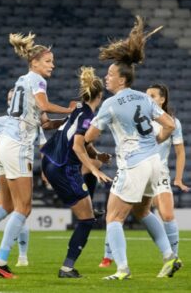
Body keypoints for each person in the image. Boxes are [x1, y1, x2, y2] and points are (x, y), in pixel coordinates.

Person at [0, 32, 75, 278]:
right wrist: (69, 108)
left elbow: (44, 122)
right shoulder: (37, 81)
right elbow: (45, 106)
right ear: (34, 62)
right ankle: (0, 262)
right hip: (18, 145)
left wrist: (67, 119)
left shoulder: (23, 80)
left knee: (7, 205)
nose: (52, 65)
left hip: (3, 143)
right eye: (48, 61)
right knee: (23, 208)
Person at [85, 16, 181, 280]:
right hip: (153, 163)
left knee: (113, 218)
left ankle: (122, 269)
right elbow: (170, 125)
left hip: (134, 164)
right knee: (142, 211)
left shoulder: (111, 104)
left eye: (111, 74)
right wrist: (155, 141)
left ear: (122, 80)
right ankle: (170, 256)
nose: (107, 77)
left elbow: (90, 136)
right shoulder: (144, 98)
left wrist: (88, 136)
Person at [99, 83, 187, 268]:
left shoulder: (171, 121)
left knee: (162, 214)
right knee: (135, 211)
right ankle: (108, 255)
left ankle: (171, 256)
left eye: (153, 96)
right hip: (145, 167)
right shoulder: (142, 116)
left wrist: (178, 177)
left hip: (153, 169)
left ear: (162, 99)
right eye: (147, 95)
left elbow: (180, 151)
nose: (148, 98)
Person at [41, 67, 113, 278]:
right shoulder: (88, 115)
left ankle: (88, 205)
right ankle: (67, 268)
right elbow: (77, 146)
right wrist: (91, 166)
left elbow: (80, 140)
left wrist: (97, 156)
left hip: (50, 161)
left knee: (95, 168)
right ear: (100, 96)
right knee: (87, 221)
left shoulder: (78, 110)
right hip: (65, 168)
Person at [0, 89, 47, 267]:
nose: (11, 101)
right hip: (1, 170)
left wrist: (46, 169)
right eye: (9, 98)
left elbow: (43, 146)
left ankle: (22, 256)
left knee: (19, 211)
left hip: (20, 166)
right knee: (0, 209)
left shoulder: (32, 122)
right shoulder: (0, 121)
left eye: (13, 98)